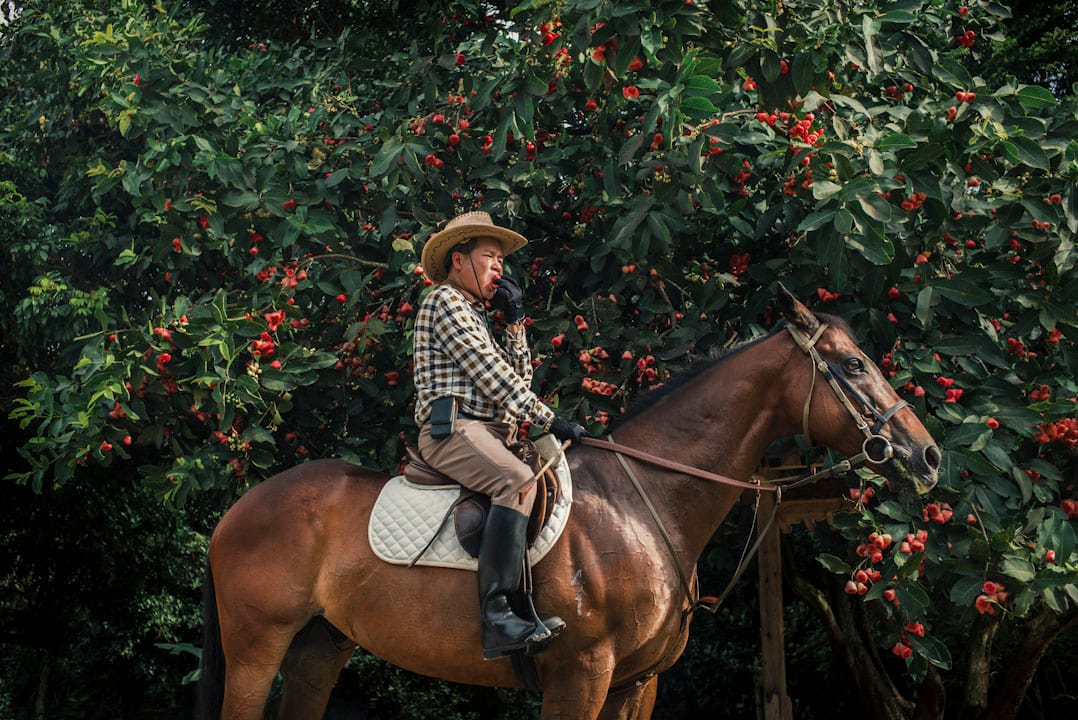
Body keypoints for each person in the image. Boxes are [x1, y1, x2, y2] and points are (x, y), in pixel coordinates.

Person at [413, 210, 586, 660]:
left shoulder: (478, 315)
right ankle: (496, 617)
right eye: (489, 257)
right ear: (457, 260)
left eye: (500, 261)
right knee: (517, 481)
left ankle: (523, 605)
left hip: (490, 430)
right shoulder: (444, 302)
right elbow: (492, 378)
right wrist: (548, 418)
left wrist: (514, 324)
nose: (498, 268)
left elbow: (518, 381)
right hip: (453, 429)